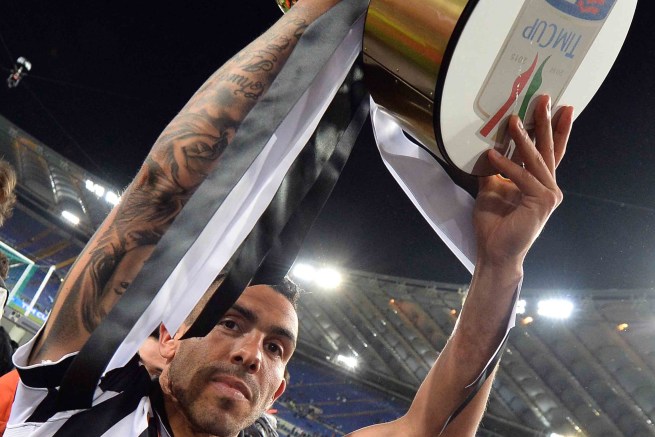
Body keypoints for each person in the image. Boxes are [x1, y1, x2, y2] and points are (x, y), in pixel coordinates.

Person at [4, 0, 574, 436]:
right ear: (170, 341)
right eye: (231, 323)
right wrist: (319, 18)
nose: (252, 354)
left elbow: (429, 428)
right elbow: (161, 194)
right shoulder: (79, 397)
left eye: (277, 349)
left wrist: (500, 266)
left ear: (277, 393)